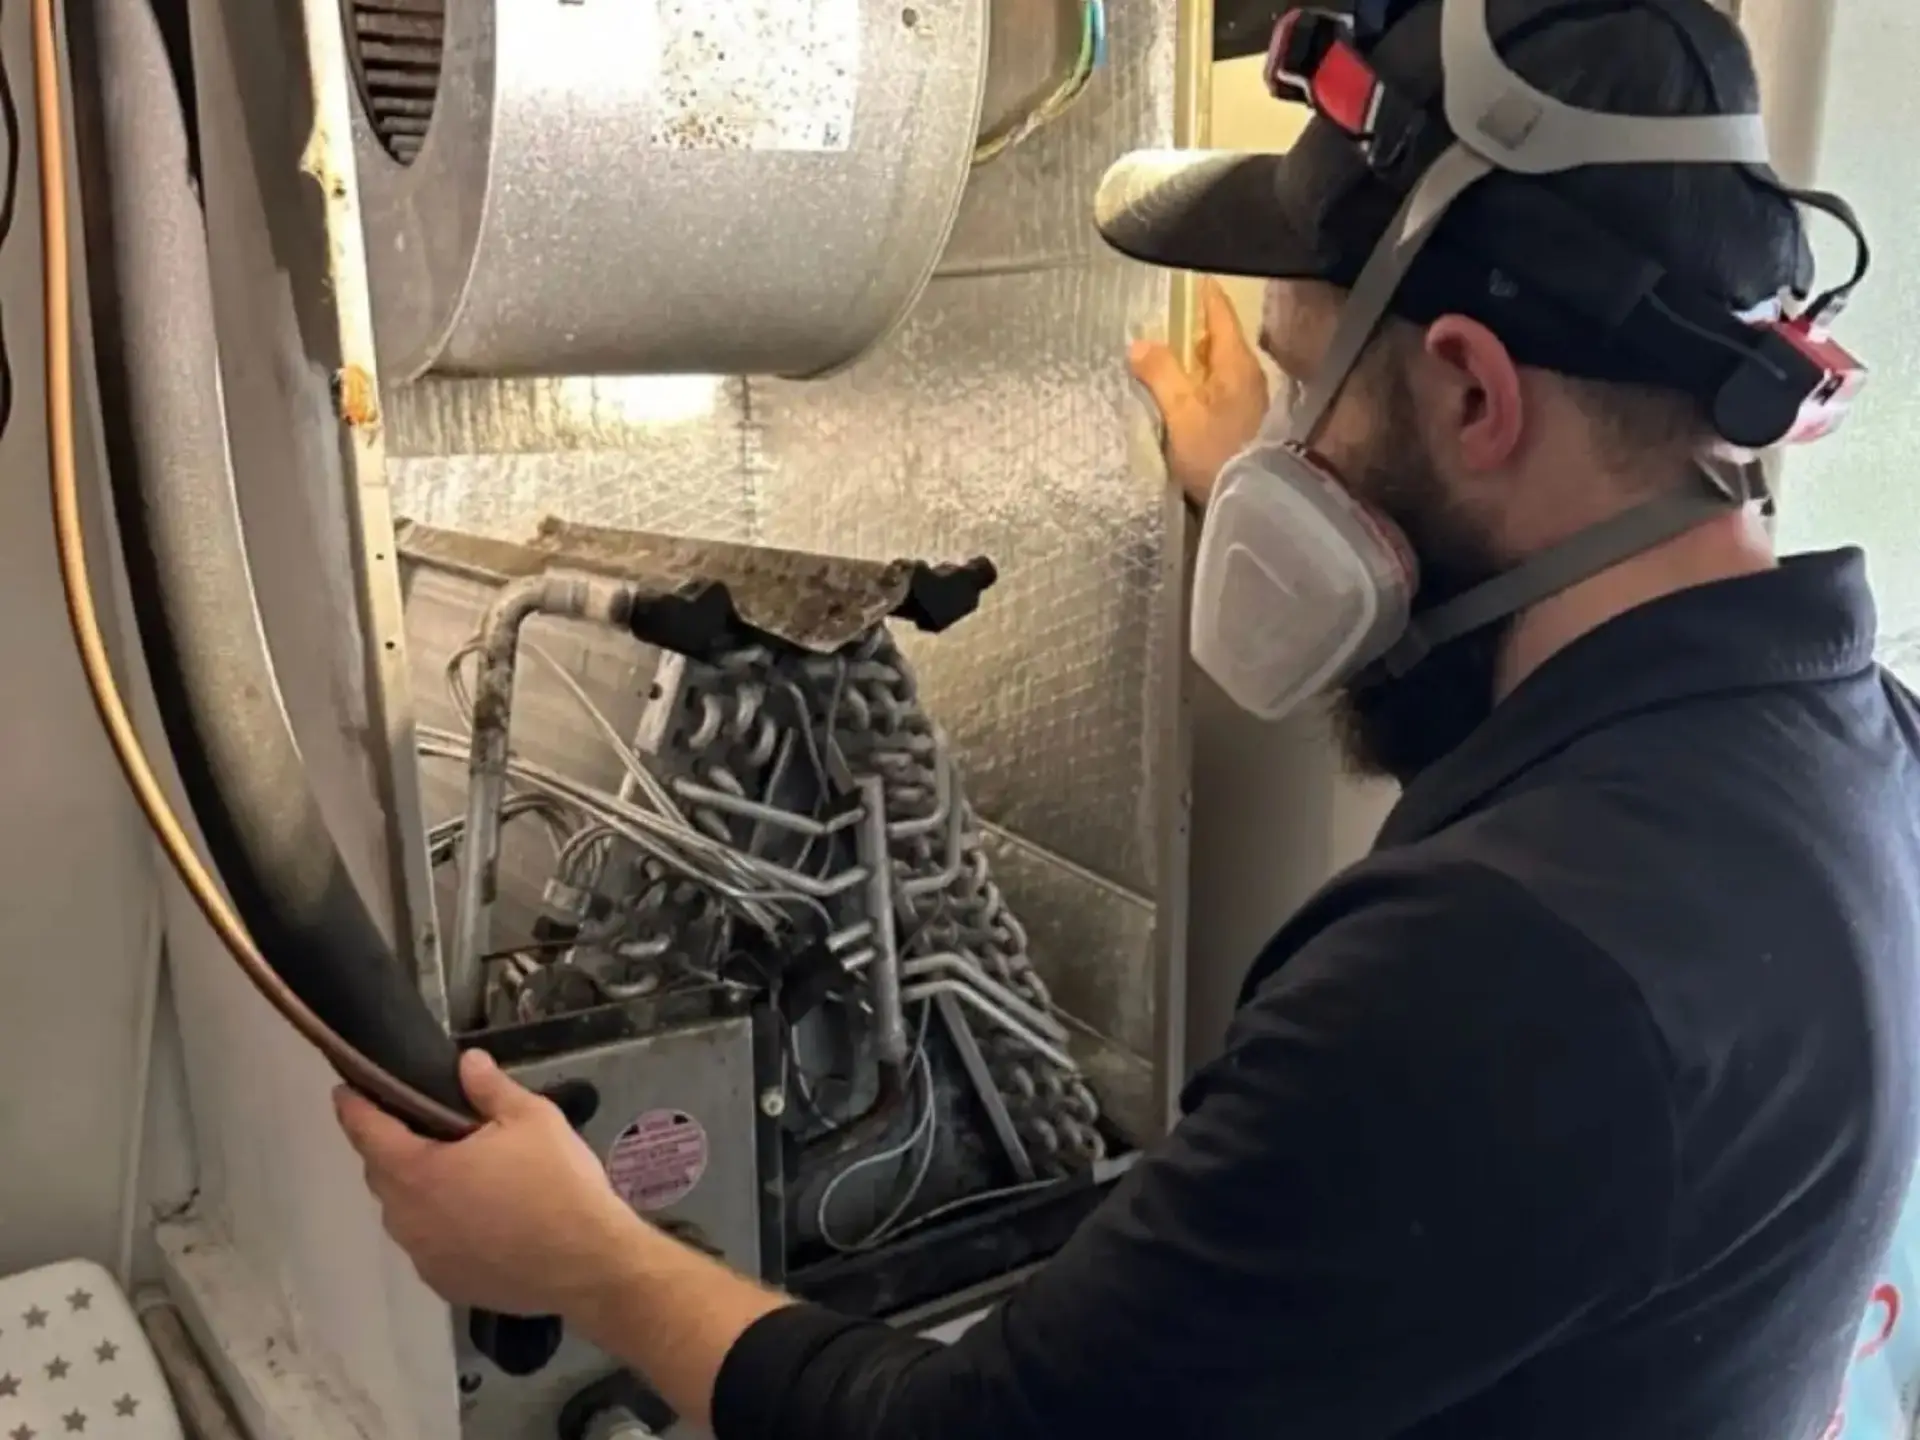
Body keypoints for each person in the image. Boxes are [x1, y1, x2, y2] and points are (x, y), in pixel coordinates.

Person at [338, 2, 1920, 1436]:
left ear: (1471, 394)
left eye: (1306, 388)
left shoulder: (1492, 970)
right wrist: (1291, 470)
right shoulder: (1850, 748)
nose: (1285, 456)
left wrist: (591, 1260)